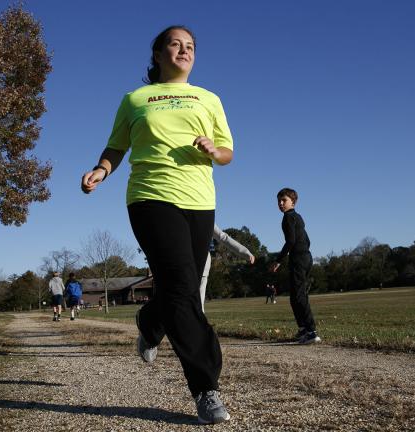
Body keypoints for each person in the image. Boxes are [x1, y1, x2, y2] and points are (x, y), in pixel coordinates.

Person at [80, 25, 232, 424]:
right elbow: (117, 144)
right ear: (158, 54)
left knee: (176, 285)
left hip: (200, 200)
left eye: (191, 47)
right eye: (176, 44)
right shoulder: (135, 99)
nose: (184, 51)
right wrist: (101, 169)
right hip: (150, 196)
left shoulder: (209, 98)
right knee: (183, 287)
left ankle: (149, 322)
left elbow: (228, 151)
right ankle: (206, 388)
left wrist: (215, 150)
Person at [269, 188, 321, 344]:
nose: (280, 203)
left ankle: (311, 332)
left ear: (293, 201)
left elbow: (290, 241)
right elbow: (306, 239)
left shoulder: (288, 218)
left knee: (299, 296)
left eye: (284, 200)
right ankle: (303, 329)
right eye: (278, 200)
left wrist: (278, 260)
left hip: (299, 258)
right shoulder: (297, 217)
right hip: (304, 257)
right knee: (294, 296)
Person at [199, 224, 255, 312]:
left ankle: (199, 320)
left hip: (202, 263)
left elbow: (223, 237)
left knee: (199, 300)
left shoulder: (206, 215)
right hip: (182, 263)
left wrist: (245, 252)